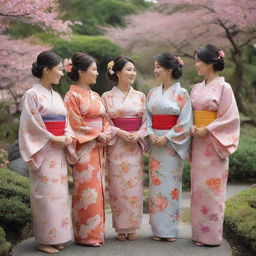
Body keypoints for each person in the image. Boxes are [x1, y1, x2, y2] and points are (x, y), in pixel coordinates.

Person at [19, 50, 76, 254]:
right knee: (45, 195)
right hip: (43, 151)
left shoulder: (57, 95)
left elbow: (65, 121)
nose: (62, 73)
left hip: (58, 150)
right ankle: (43, 240)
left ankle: (56, 237)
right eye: (59, 70)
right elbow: (30, 124)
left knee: (59, 195)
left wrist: (67, 135)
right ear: (46, 69)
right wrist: (53, 137)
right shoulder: (32, 94)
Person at [190, 44, 240, 246]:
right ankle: (198, 234)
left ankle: (211, 236)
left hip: (214, 145)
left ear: (210, 63)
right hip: (198, 144)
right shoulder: (196, 87)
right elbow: (189, 113)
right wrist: (192, 126)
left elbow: (230, 117)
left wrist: (207, 128)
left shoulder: (224, 87)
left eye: (198, 61)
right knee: (198, 190)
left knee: (213, 192)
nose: (196, 65)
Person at [64, 52, 110, 246]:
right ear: (81, 72)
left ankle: (96, 233)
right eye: (93, 69)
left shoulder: (96, 95)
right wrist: (96, 134)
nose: (97, 73)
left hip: (98, 148)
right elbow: (74, 122)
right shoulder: (71, 95)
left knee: (98, 190)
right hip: (84, 148)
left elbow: (105, 119)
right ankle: (85, 235)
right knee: (86, 191)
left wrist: (105, 132)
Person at [145, 53, 193, 242]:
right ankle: (158, 229)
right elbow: (146, 117)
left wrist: (167, 137)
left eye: (158, 67)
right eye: (154, 67)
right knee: (156, 187)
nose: (155, 70)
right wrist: (150, 133)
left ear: (170, 69)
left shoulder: (182, 94)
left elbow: (186, 122)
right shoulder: (152, 93)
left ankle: (170, 230)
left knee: (170, 185)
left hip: (171, 146)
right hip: (156, 144)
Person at [101, 56, 147, 241]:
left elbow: (146, 121)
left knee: (134, 187)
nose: (133, 73)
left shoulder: (141, 96)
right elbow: (104, 122)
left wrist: (139, 134)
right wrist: (118, 131)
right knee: (118, 187)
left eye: (134, 70)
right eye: (129, 69)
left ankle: (133, 225)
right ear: (118, 72)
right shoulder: (106, 97)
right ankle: (121, 227)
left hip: (134, 145)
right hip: (117, 146)